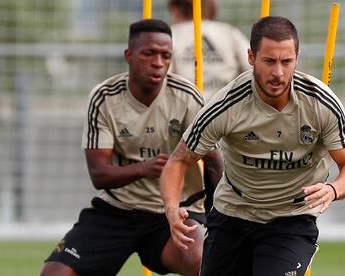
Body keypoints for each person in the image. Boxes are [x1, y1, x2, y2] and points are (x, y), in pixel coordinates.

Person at [160, 16, 345, 276]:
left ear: (297, 58)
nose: (278, 73)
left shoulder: (321, 103)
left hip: (292, 217)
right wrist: (171, 210)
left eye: (286, 61)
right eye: (269, 61)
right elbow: (178, 161)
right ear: (251, 57)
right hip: (233, 213)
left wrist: (332, 189)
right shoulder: (226, 105)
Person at [40, 19, 223, 276]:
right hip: (117, 211)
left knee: (203, 262)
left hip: (177, 212)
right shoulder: (104, 97)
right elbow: (99, 175)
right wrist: (145, 168)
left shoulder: (186, 96)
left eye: (165, 55)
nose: (158, 62)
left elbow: (214, 161)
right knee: (55, 274)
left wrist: (218, 219)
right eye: (149, 54)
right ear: (129, 56)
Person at [168, 0, 250, 213]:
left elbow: (163, 83)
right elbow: (252, 70)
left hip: (187, 128)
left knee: (191, 199)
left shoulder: (171, 34)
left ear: (175, 9)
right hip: (228, 123)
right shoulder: (230, 34)